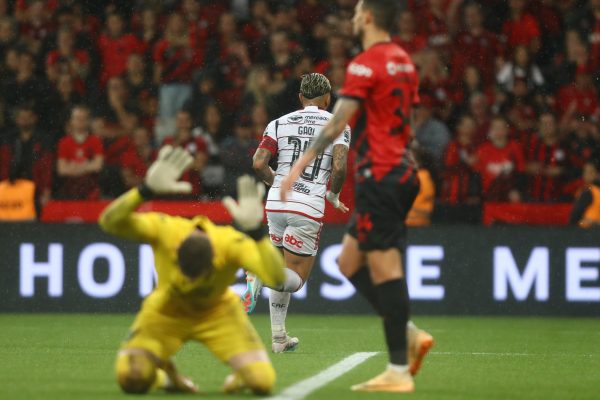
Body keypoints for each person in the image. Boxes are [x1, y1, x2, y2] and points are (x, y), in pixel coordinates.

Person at [280, 0, 433, 393]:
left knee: (385, 268)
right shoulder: (404, 60)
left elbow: (336, 125)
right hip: (399, 170)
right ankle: (409, 332)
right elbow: (400, 118)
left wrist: (297, 168)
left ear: (367, 17)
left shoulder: (365, 63)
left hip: (382, 175)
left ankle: (399, 369)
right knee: (349, 262)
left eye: (354, 12)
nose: (351, 18)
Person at [99, 145, 285, 395]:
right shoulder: (166, 231)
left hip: (218, 313)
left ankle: (239, 376)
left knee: (262, 384)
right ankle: (168, 378)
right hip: (166, 311)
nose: (191, 282)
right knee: (131, 379)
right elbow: (108, 222)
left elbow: (276, 277)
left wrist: (257, 233)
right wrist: (144, 191)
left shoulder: (230, 243)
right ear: (176, 254)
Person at [246, 72, 350, 353]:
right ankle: (259, 273)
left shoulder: (278, 123)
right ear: (328, 99)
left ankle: (279, 338)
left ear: (301, 98)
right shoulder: (338, 124)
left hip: (276, 203)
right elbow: (339, 167)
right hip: (307, 206)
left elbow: (258, 162)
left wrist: (274, 181)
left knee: (282, 270)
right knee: (296, 279)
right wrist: (333, 195)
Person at [570, 155, 600, 227]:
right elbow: (575, 219)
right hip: (588, 233)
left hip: (588, 233)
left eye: (590, 172)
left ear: (598, 174)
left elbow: (574, 218)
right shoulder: (588, 191)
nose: (586, 175)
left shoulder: (589, 191)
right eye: (585, 171)